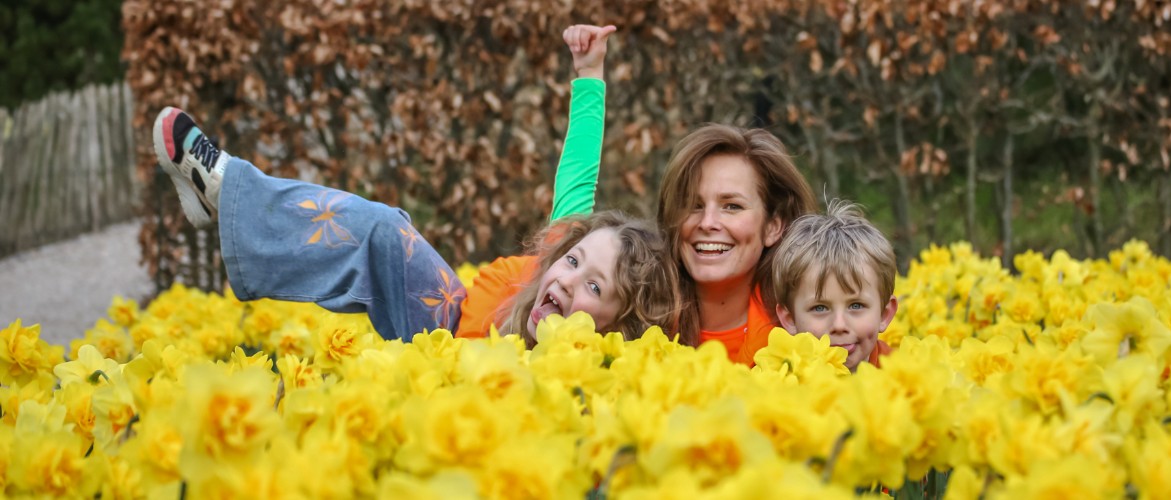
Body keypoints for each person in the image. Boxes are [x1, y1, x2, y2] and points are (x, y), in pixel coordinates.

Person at [150, 24, 679, 344]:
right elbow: (578, 173)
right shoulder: (550, 261)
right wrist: (590, 72)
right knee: (384, 230)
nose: (568, 279)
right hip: (440, 331)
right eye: (573, 262)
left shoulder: (611, 376)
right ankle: (224, 185)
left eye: (594, 288)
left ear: (620, 326)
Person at [655, 125, 818, 364]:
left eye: (732, 206)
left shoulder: (815, 334)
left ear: (773, 226)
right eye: (693, 204)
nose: (707, 222)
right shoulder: (634, 322)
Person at [770, 200, 897, 371]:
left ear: (884, 314)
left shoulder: (905, 376)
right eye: (820, 308)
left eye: (856, 305)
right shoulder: (775, 382)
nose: (839, 325)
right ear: (789, 319)